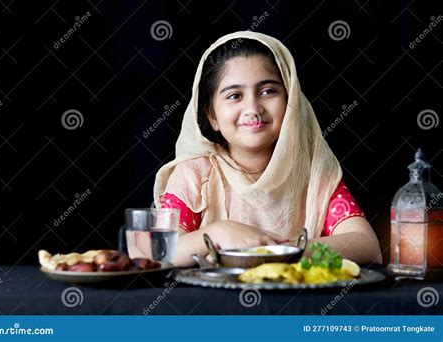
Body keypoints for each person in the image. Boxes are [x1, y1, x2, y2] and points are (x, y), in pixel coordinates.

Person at [153, 31, 382, 267]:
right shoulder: (196, 174)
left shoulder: (312, 175)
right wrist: (219, 232)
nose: (252, 108)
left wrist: (281, 251)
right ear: (212, 116)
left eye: (268, 91)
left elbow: (367, 245)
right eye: (234, 96)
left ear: (291, 101)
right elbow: (158, 252)